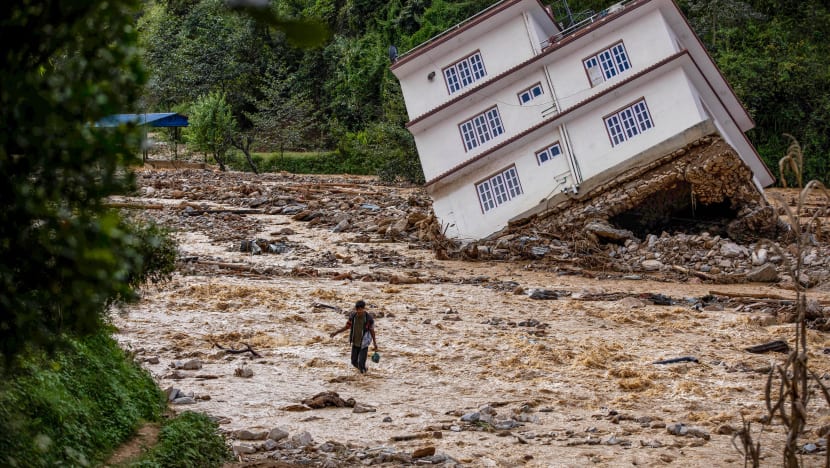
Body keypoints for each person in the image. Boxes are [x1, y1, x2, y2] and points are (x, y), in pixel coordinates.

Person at [330, 300, 378, 374]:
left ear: (363, 308)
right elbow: (347, 327)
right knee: (353, 362)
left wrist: (375, 343)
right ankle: (364, 371)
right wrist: (336, 332)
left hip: (364, 344)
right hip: (355, 342)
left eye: (360, 309)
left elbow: (372, 331)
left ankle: (363, 378)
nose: (359, 311)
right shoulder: (353, 316)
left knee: (361, 363)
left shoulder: (368, 319)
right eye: (357, 309)